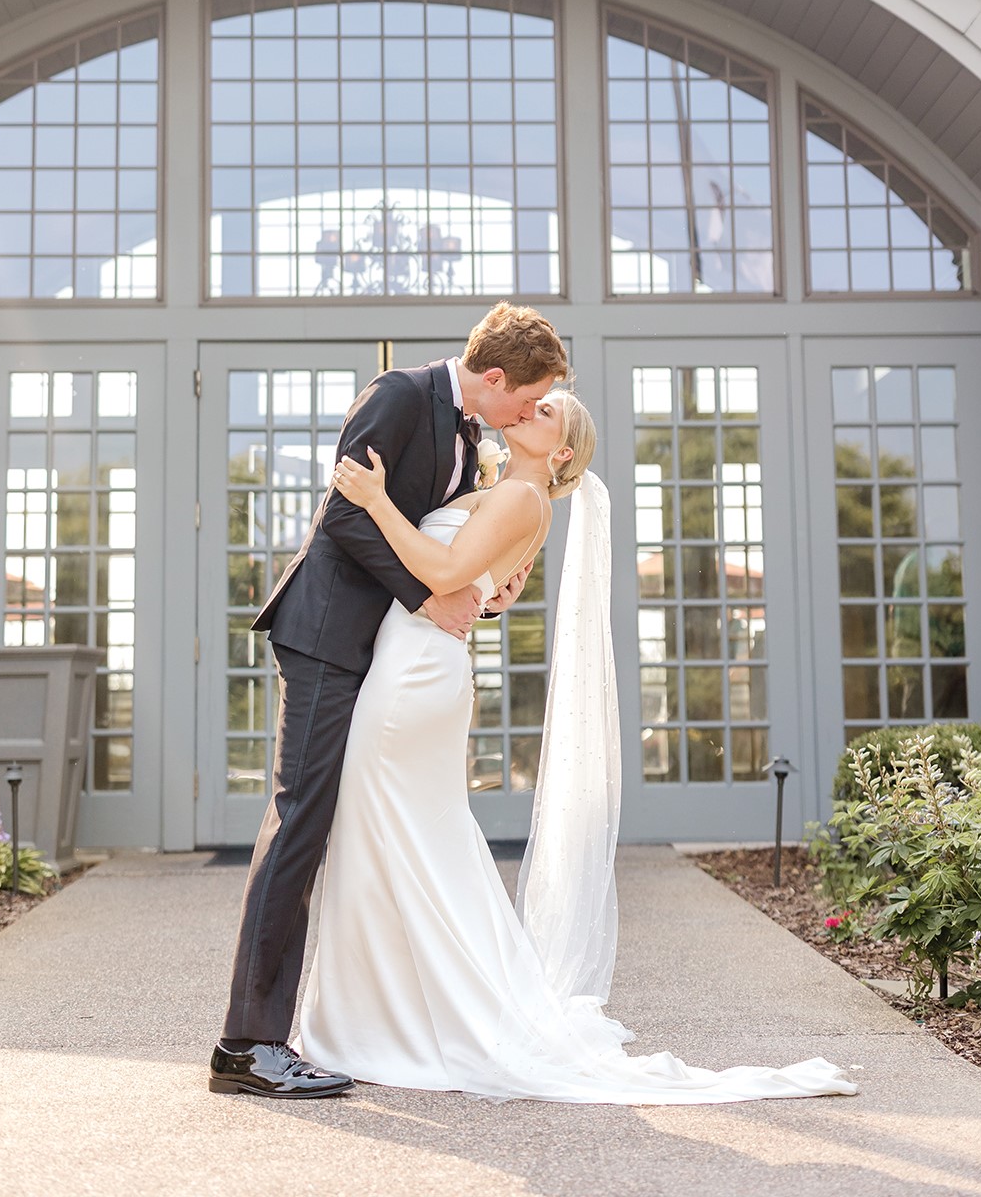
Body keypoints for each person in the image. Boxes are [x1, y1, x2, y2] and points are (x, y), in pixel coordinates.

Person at [296, 391, 858, 1106]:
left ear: (560, 453)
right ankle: (387, 1013)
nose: (529, 410)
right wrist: (490, 590)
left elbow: (440, 576)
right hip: (418, 667)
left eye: (547, 414)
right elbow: (486, 587)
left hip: (413, 676)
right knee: (403, 839)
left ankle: (382, 1021)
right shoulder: (504, 492)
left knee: (391, 834)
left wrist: (375, 499)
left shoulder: (525, 498)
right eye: (532, 403)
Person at [210, 302, 570, 1099]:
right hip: (325, 636)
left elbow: (443, 542)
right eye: (527, 398)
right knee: (300, 817)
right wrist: (426, 597)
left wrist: (484, 589)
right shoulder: (401, 396)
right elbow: (343, 515)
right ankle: (247, 1044)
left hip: (379, 651)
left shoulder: (472, 435)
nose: (527, 414)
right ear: (499, 376)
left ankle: (344, 1023)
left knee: (341, 825)